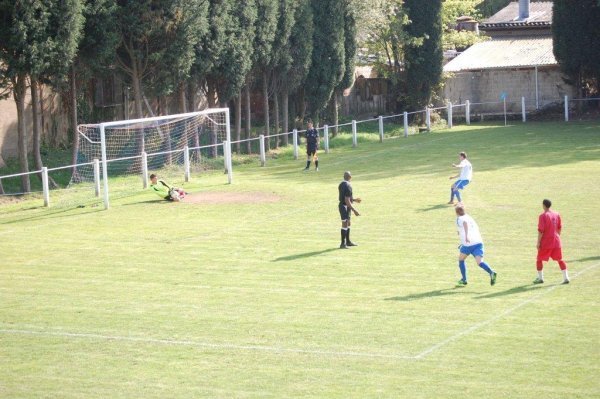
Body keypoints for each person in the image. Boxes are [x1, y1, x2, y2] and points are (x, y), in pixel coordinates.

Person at [454, 204, 497, 286]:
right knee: (479, 262)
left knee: (461, 260)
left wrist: (466, 237)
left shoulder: (459, 219)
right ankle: (491, 272)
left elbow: (465, 224)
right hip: (477, 243)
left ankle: (464, 279)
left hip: (468, 244)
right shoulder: (468, 217)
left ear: (456, 212)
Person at [534, 199, 570, 284]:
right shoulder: (557, 214)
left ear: (543, 205)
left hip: (546, 242)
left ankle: (540, 278)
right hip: (556, 241)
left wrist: (538, 242)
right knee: (560, 259)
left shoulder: (542, 216)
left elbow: (541, 231)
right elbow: (559, 228)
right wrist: (556, 237)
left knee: (539, 259)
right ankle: (566, 277)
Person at [338, 171, 361, 249]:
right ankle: (342, 244)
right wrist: (354, 210)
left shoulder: (341, 184)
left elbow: (345, 198)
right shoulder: (348, 186)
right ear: (350, 177)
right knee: (345, 223)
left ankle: (348, 241)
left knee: (348, 223)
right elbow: (347, 200)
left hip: (344, 205)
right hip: (344, 207)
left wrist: (354, 200)